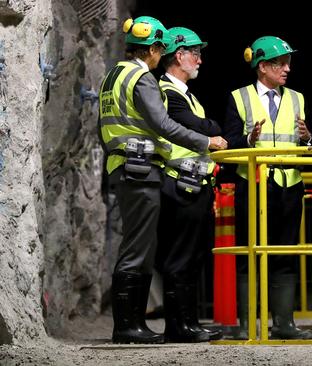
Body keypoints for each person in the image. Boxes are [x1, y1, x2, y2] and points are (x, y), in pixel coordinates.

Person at [98, 16, 227, 344]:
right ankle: (128, 326)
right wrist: (204, 142)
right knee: (138, 248)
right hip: (138, 168)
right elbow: (162, 124)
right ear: (153, 49)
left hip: (123, 164)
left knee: (139, 245)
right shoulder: (141, 77)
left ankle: (132, 325)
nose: (161, 55)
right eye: (160, 48)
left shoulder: (114, 74)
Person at [222, 36, 312, 340]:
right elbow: (229, 143)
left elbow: (304, 143)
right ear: (263, 67)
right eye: (281, 63)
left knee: (284, 253)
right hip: (254, 184)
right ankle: (249, 325)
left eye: (288, 63)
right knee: (250, 252)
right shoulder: (239, 98)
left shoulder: (297, 98)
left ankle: (284, 324)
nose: (287, 69)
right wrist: (249, 139)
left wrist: (308, 138)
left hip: (289, 184)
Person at [156, 26, 224, 342]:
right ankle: (178, 326)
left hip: (194, 183)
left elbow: (206, 126)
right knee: (180, 256)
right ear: (179, 55)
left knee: (193, 256)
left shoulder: (185, 94)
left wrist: (210, 131)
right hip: (178, 184)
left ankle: (189, 323)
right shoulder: (166, 93)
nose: (200, 60)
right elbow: (200, 127)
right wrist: (210, 133)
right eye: (195, 53)